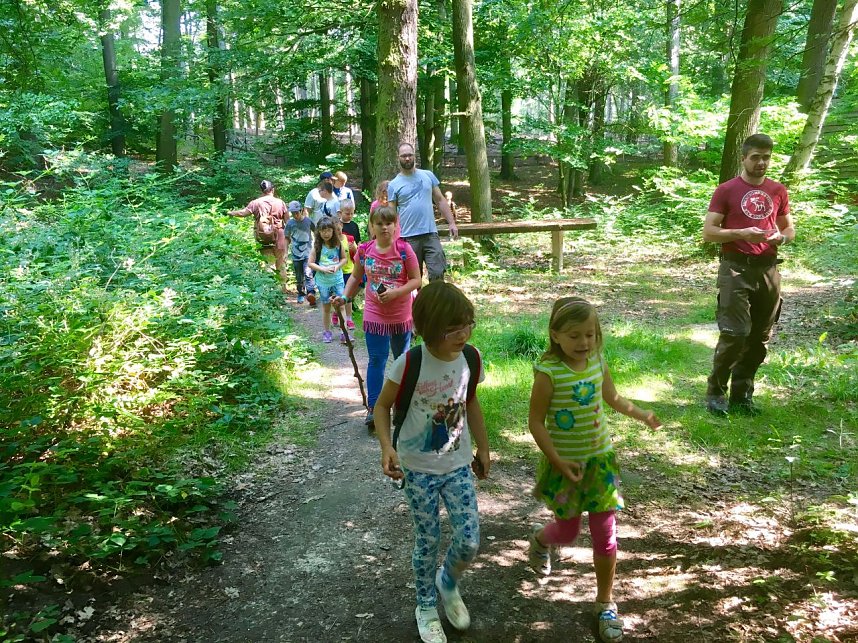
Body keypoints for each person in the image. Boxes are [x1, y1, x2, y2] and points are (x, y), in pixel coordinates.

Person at [527, 297, 661, 643]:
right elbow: (536, 422)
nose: (584, 343)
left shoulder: (597, 361)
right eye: (574, 336)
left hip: (600, 463)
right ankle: (541, 540)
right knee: (568, 532)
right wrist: (556, 459)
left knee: (605, 532)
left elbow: (613, 399)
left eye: (589, 334)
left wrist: (641, 414)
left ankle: (604, 603)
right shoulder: (548, 372)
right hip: (565, 466)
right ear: (555, 335)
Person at [373, 281, 491, 643]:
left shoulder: (471, 357)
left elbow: (470, 402)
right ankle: (425, 605)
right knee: (428, 539)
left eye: (467, 325)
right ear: (427, 328)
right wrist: (386, 448)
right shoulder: (410, 364)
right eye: (452, 328)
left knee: (469, 540)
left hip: (456, 465)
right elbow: (381, 407)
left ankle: (447, 583)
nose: (462, 334)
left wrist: (483, 448)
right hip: (417, 468)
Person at [702, 133, 795, 416]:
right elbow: (709, 233)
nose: (761, 163)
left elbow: (790, 229)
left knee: (759, 336)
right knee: (735, 333)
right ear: (743, 158)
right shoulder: (726, 190)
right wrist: (741, 233)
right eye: (755, 157)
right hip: (735, 267)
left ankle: (742, 396)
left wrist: (782, 238)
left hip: (768, 267)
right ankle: (716, 392)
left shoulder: (778, 190)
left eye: (766, 157)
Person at [333, 205, 422, 426]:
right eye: (379, 223)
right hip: (374, 314)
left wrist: (396, 293)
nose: (384, 228)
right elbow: (355, 278)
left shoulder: (404, 250)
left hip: (401, 314)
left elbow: (416, 280)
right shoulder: (364, 250)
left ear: (395, 226)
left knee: (402, 360)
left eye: (388, 223)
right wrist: (345, 297)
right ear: (372, 226)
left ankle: (402, 406)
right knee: (377, 360)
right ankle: (374, 408)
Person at [388, 142, 459, 281]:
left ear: (414, 156)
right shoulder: (394, 184)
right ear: (398, 158)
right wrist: (392, 238)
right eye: (403, 156)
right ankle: (418, 302)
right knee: (413, 279)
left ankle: (435, 301)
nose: (407, 158)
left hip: (430, 234)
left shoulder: (428, 176)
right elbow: (391, 214)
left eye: (409, 155)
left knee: (438, 272)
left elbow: (440, 200)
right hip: (408, 238)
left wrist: (452, 222)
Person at [227, 180, 289, 291]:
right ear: (272, 190)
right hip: (280, 235)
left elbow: (243, 213)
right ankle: (283, 287)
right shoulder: (280, 202)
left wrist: (232, 213)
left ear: (261, 190)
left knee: (268, 262)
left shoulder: (255, 203)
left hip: (263, 236)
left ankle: (271, 290)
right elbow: (287, 221)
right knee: (281, 261)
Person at [308, 216, 347, 343]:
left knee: (341, 306)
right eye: (323, 231)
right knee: (326, 308)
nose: (326, 233)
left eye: (329, 230)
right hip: (323, 282)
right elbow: (310, 263)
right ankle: (327, 332)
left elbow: (344, 259)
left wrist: (337, 266)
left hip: (337, 280)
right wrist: (322, 269)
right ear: (318, 232)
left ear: (333, 231)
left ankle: (344, 332)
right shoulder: (317, 247)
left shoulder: (338, 245)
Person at [284, 200, 317, 307]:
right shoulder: (290, 223)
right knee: (299, 275)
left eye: (297, 212)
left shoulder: (308, 221)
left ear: (301, 210)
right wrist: (285, 251)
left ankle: (311, 293)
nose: (295, 215)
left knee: (308, 273)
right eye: (293, 213)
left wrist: (317, 246)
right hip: (295, 253)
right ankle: (301, 293)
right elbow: (286, 238)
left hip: (307, 252)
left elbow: (316, 231)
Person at [334, 201, 360, 331]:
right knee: (339, 293)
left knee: (350, 292)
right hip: (338, 267)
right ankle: (337, 312)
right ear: (340, 213)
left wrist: (354, 248)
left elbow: (358, 244)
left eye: (351, 213)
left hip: (351, 263)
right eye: (347, 213)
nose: (349, 216)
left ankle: (348, 316)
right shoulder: (335, 226)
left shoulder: (354, 226)